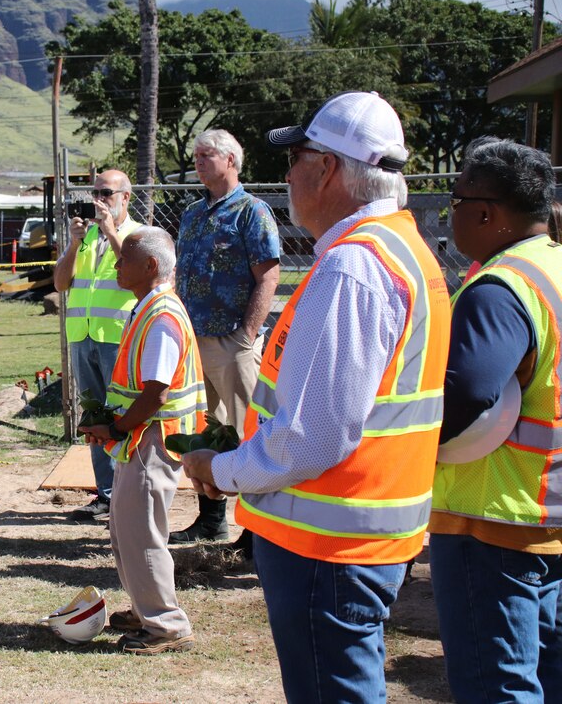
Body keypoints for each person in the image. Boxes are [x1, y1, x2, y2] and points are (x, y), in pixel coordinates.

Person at [181, 91, 452, 702]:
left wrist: (219, 470)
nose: (287, 172)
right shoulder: (401, 248)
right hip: (365, 532)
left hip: (329, 543)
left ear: (327, 168)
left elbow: (311, 435)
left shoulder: (351, 268)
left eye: (296, 156)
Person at [429, 137, 562, 703]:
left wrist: (413, 447)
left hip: (490, 517)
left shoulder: (501, 287)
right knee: (550, 674)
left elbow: (469, 390)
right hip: (549, 505)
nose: (448, 214)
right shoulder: (554, 265)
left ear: (485, 212)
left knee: (498, 683)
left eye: (454, 201)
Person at [79, 226, 205, 654]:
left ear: (150, 266)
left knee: (141, 533)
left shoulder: (161, 316)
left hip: (153, 440)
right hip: (141, 439)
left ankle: (166, 625)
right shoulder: (148, 308)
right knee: (126, 529)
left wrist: (115, 428)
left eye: (124, 257)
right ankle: (146, 606)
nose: (116, 263)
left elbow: (157, 393)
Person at [170, 129, 281, 547]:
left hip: (231, 341)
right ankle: (211, 520)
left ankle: (257, 531)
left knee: (248, 434)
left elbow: (268, 275)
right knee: (206, 432)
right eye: (196, 154)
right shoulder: (193, 214)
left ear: (231, 161)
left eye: (207, 154)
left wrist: (247, 334)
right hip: (195, 341)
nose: (197, 160)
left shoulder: (252, 212)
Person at [53, 169, 142, 521]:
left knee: (123, 414)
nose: (99, 200)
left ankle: (128, 492)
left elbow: (137, 274)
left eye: (107, 193)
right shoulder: (85, 236)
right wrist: (75, 243)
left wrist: (111, 232)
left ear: (125, 197)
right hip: (83, 335)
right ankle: (105, 494)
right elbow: (61, 283)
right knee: (94, 416)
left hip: (117, 337)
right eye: (95, 193)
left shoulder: (136, 235)